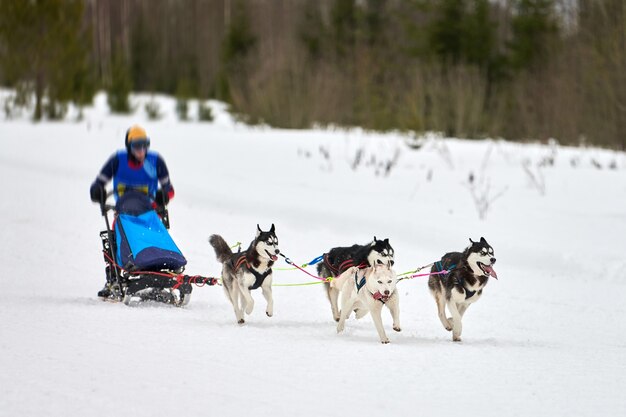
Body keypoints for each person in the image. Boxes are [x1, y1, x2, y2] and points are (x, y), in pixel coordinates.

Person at [89, 124, 175, 298]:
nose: (142, 150)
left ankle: (159, 268)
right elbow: (98, 183)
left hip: (149, 212)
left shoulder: (155, 161)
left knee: (154, 236)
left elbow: (169, 189)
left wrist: (163, 196)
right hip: (124, 212)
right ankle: (113, 279)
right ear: (129, 147)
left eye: (145, 145)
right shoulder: (117, 160)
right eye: (137, 146)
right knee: (114, 239)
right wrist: (97, 191)